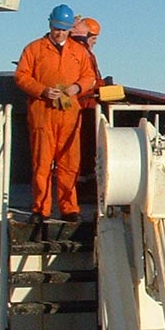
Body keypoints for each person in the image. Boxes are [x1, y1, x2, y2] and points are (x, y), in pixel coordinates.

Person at [14, 4, 95, 224]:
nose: (59, 32)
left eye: (63, 29)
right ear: (50, 24)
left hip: (69, 114)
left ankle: (69, 208)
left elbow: (89, 77)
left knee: (69, 163)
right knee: (42, 163)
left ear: (70, 29)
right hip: (42, 113)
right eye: (55, 27)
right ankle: (41, 209)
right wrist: (42, 90)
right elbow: (21, 76)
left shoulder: (79, 52)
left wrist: (76, 88)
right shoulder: (34, 49)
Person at [70, 17, 104, 196]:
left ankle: (86, 183)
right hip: (82, 105)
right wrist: (100, 86)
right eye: (93, 40)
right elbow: (83, 80)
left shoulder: (84, 52)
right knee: (82, 147)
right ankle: (82, 186)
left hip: (88, 106)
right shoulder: (79, 52)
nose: (94, 44)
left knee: (89, 146)